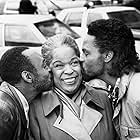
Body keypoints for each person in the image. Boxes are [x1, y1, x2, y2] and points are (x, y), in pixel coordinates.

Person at [29, 34, 117, 140]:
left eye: (74, 63)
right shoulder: (36, 108)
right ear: (48, 68)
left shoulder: (104, 99)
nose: (69, 71)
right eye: (59, 65)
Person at [80, 18, 140, 139]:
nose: (81, 59)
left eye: (86, 53)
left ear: (107, 56)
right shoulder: (116, 89)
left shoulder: (137, 93)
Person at [0, 47, 52, 140]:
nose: (50, 69)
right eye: (44, 66)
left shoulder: (15, 101)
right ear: (28, 76)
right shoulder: (4, 110)